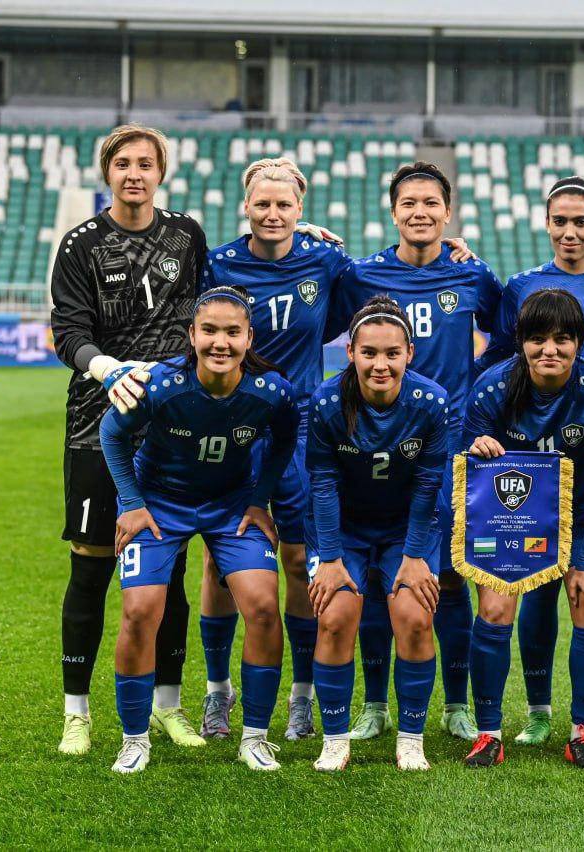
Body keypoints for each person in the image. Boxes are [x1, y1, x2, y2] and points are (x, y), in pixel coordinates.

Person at [50, 123, 207, 756]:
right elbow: (68, 332)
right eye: (123, 163)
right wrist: (107, 368)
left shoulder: (186, 235)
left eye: (145, 163)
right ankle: (77, 713)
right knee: (91, 567)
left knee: (169, 572)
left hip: (171, 430)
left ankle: (168, 706)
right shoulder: (81, 244)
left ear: (161, 172)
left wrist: (301, 234)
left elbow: (222, 290)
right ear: (107, 172)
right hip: (96, 425)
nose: (134, 173)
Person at [332, 161, 503, 742]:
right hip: (377, 448)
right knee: (379, 578)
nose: (420, 212)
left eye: (431, 203)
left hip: (449, 448)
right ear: (393, 212)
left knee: (448, 577)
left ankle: (456, 704)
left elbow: (507, 335)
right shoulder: (364, 275)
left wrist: (474, 380)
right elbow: (324, 318)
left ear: (447, 213)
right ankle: (374, 705)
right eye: (409, 203)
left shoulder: (471, 273)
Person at [100, 285, 299, 774]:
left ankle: (255, 738)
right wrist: (132, 503)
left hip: (231, 505)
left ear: (249, 338)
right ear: (191, 335)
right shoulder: (161, 384)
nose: (220, 343)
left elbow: (285, 439)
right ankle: (134, 739)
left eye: (232, 332)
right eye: (209, 330)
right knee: (139, 611)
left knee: (263, 608)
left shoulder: (272, 390)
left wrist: (258, 500)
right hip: (159, 504)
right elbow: (111, 432)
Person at [195, 157, 353, 744]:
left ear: (300, 209)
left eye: (284, 204)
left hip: (303, 430)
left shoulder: (326, 260)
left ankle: (302, 697)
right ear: (246, 206)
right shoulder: (218, 265)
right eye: (262, 203)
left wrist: (454, 249)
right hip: (235, 425)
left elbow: (372, 286)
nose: (272, 213)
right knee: (219, 562)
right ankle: (218, 692)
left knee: (298, 560)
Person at [483, 176, 584, 748]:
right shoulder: (522, 286)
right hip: (533, 462)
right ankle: (538, 710)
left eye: (580, 221)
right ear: (546, 225)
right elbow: (499, 361)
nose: (570, 232)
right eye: (560, 221)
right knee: (536, 588)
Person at [461, 289, 584, 769]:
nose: (549, 349)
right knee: (494, 607)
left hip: (581, 511)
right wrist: (477, 447)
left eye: (562, 339)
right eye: (537, 339)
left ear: (579, 343)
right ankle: (489, 733)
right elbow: (466, 463)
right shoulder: (491, 388)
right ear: (521, 342)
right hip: (512, 513)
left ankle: (583, 731)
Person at [306, 296, 450, 772]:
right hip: (341, 529)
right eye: (369, 353)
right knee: (334, 617)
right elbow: (322, 483)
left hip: (406, 529)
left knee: (414, 617)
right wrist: (330, 558)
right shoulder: (327, 402)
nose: (380, 364)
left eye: (392, 353)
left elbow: (428, 482)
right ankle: (334, 739)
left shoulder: (431, 402)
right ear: (350, 352)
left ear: (410, 353)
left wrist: (415, 555)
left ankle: (411, 739)